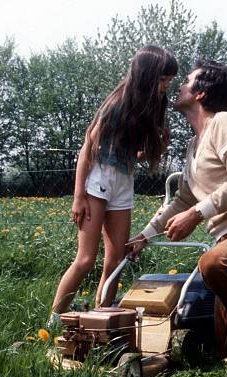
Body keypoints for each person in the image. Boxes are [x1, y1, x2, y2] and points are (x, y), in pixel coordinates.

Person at [127, 60, 227, 377]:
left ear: (201, 92)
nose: (180, 86)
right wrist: (144, 236)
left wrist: (196, 214)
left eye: (187, 81)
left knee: (213, 262)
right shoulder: (193, 146)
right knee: (226, 351)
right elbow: (182, 200)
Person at [48, 45, 177, 325]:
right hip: (97, 180)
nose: (167, 86)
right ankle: (53, 320)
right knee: (85, 259)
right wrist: (78, 195)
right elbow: (88, 148)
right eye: (163, 79)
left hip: (122, 181)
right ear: (146, 75)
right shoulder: (118, 103)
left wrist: (161, 147)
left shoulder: (149, 107)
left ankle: (101, 320)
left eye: (170, 80)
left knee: (116, 259)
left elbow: (133, 156)